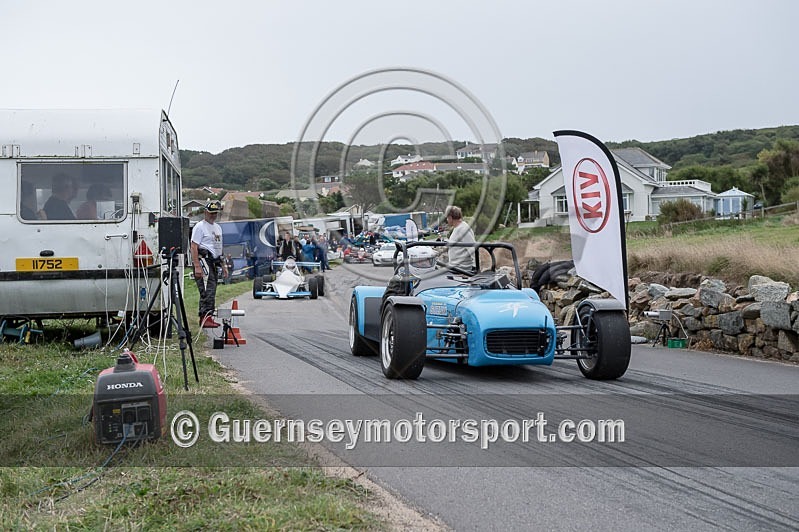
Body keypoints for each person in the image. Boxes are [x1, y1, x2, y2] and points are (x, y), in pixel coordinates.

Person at [190, 200, 228, 328]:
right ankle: (205, 316)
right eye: (211, 213)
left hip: (214, 260)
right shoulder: (200, 227)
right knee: (207, 288)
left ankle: (208, 316)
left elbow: (219, 247)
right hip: (203, 259)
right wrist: (197, 265)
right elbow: (194, 246)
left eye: (215, 213)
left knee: (212, 287)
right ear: (205, 212)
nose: (213, 215)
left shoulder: (218, 228)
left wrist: (223, 265)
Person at [444, 206, 476, 272]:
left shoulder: (463, 229)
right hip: (455, 267)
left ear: (450, 218)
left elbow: (472, 249)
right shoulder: (457, 228)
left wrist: (474, 269)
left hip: (461, 270)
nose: (447, 220)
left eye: (447, 218)